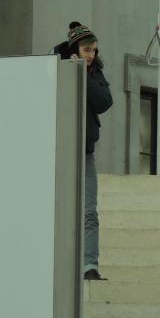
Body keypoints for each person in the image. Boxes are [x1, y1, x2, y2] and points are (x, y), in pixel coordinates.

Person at [58, 23, 113, 281]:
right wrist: (72, 69)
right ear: (75, 49)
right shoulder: (57, 66)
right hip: (60, 151)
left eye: (94, 50)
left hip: (85, 152)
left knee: (89, 212)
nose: (91, 55)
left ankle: (89, 266)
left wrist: (83, 74)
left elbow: (105, 102)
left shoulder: (94, 73)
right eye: (86, 50)